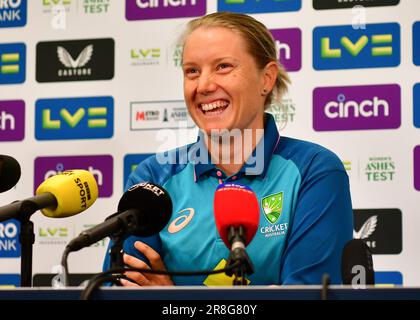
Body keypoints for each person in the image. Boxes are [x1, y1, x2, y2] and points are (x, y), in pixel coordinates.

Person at [103, 12, 353, 286]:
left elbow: (306, 294)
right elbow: (122, 289)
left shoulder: (314, 170)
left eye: (223, 66)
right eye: (192, 71)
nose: (204, 85)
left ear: (266, 79)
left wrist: (172, 297)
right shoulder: (153, 177)